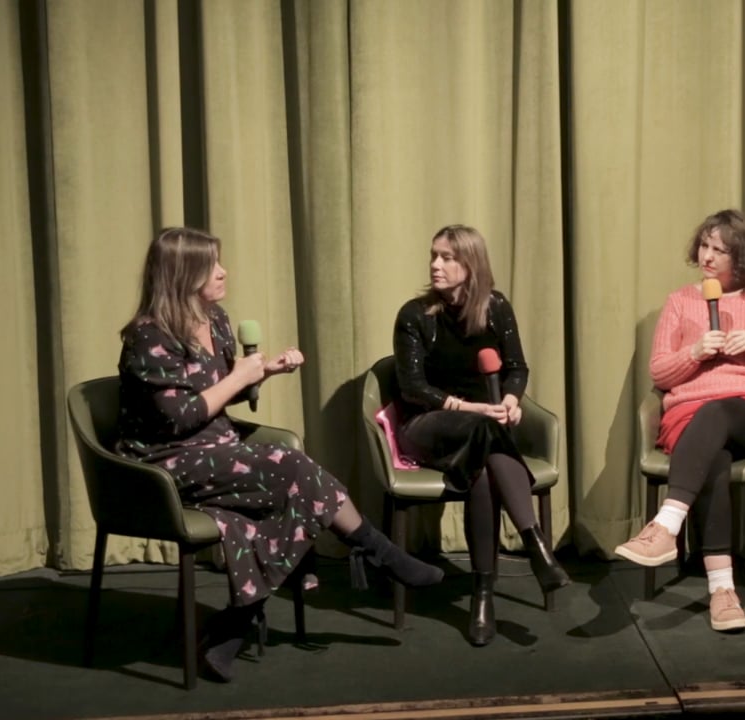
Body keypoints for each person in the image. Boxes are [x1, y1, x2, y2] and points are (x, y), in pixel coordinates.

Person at [117, 227, 444, 682]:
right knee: (291, 467)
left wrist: (263, 372)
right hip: (162, 461)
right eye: (213, 265)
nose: (223, 272)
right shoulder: (147, 336)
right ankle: (378, 551)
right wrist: (238, 377)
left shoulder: (215, 319)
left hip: (216, 447)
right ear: (183, 272)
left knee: (284, 488)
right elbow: (179, 416)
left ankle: (237, 624)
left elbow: (219, 395)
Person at [614, 209, 745, 632]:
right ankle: (723, 591)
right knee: (714, 458)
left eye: (719, 250)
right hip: (691, 416)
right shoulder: (681, 302)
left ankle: (666, 524)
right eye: (704, 246)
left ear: (740, 257)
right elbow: (660, 373)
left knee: (719, 411)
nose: (707, 257)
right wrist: (695, 352)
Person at [392, 224, 570, 647]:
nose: (436, 264)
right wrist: (473, 408)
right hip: (428, 425)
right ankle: (535, 544)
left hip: (483, 431)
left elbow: (517, 367)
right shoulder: (415, 315)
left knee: (484, 473)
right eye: (434, 255)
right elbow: (413, 388)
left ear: (471, 266)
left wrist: (511, 399)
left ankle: (482, 596)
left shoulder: (497, 307)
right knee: (485, 431)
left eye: (448, 257)